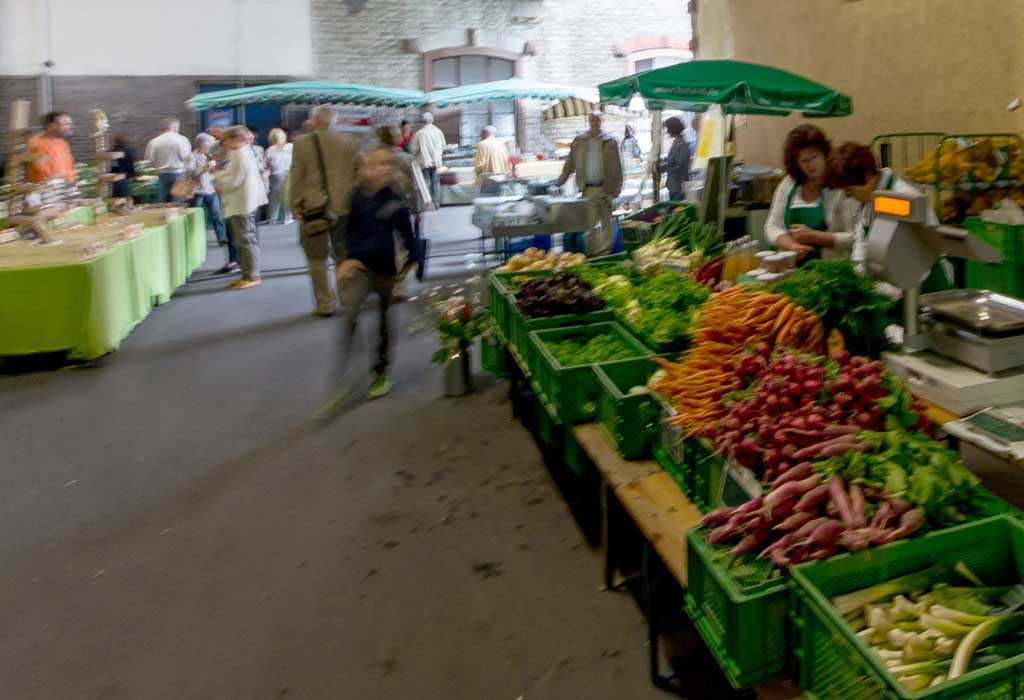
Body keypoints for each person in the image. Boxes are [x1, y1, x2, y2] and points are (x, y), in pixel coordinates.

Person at [336, 148, 418, 399]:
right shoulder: (357, 196)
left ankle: (381, 371)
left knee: (383, 318)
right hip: (358, 266)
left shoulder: (394, 199)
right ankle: (349, 368)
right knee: (350, 312)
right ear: (366, 168)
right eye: (378, 164)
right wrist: (346, 261)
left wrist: (411, 261)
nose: (384, 168)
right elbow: (346, 231)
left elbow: (407, 233)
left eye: (388, 164)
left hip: (384, 267)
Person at [826, 142, 953, 293]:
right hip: (895, 289)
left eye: (849, 190)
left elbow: (916, 263)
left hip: (927, 290)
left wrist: (879, 292)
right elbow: (862, 242)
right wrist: (858, 278)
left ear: (867, 177)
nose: (848, 196)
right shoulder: (870, 200)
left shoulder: (904, 200)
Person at [289, 105, 361, 316]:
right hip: (344, 209)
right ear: (335, 121)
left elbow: (297, 176)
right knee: (343, 255)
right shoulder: (351, 141)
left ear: (315, 121)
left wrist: (295, 205)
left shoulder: (302, 143)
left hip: (314, 208)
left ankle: (325, 303)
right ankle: (348, 298)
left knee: (316, 259)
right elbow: (360, 173)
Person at [765, 124, 853, 261]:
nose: (811, 165)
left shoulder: (839, 186)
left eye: (814, 157)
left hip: (831, 268)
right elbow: (772, 227)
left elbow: (854, 238)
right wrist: (792, 246)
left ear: (825, 155)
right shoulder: (788, 184)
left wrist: (814, 236)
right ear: (796, 164)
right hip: (792, 269)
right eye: (804, 160)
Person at [555, 110, 623, 256]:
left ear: (601, 122)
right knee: (589, 225)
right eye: (592, 120)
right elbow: (569, 164)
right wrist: (560, 181)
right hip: (588, 189)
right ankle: (592, 254)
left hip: (606, 188)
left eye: (597, 120)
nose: (595, 123)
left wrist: (618, 186)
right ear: (588, 121)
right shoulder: (579, 141)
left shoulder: (610, 141)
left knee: (607, 225)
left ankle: (604, 254)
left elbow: (618, 166)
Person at [214, 126, 267, 289]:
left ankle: (251, 276)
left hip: (242, 203)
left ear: (235, 139)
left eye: (225, 141)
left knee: (246, 240)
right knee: (246, 239)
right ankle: (248, 274)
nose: (224, 145)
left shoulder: (239, 155)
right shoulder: (244, 152)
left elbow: (233, 181)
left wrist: (216, 174)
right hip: (245, 202)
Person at [185, 132, 228, 246]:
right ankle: (193, 240)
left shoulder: (209, 155)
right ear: (201, 144)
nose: (211, 146)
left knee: (217, 215)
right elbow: (190, 173)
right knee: (195, 217)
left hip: (210, 189)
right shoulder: (191, 157)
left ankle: (222, 238)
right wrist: (205, 167)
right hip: (197, 191)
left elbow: (213, 171)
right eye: (209, 144)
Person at [145, 118, 192, 203]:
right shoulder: (181, 139)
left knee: (161, 202)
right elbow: (187, 158)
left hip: (162, 174)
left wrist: (157, 166)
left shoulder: (154, 141)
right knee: (178, 202)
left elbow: (149, 160)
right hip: (179, 173)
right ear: (174, 127)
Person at [26, 111, 76, 183]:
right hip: (44, 190)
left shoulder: (64, 143)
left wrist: (71, 181)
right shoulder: (37, 143)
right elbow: (44, 174)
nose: (71, 127)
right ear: (52, 126)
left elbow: (70, 168)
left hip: (64, 187)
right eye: (67, 124)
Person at [410, 111, 445, 208]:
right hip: (436, 161)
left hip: (424, 161)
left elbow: (414, 149)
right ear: (432, 120)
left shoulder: (419, 133)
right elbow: (443, 145)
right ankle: (436, 204)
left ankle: (427, 205)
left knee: (426, 183)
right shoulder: (438, 132)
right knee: (436, 182)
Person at [264, 127, 293, 224]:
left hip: (275, 175)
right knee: (287, 196)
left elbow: (268, 165)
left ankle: (272, 218)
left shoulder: (269, 150)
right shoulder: (290, 147)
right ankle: (287, 218)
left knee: (274, 197)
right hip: (288, 173)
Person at [661, 116, 691, 202]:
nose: (667, 132)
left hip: (678, 186)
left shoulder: (681, 144)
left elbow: (681, 166)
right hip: (674, 185)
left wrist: (665, 168)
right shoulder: (676, 142)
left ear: (673, 129)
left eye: (668, 129)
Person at [110, 134, 136, 199]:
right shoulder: (129, 150)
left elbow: (114, 166)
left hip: (117, 177)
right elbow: (131, 163)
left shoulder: (113, 151)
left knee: (117, 197)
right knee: (125, 196)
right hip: (126, 176)